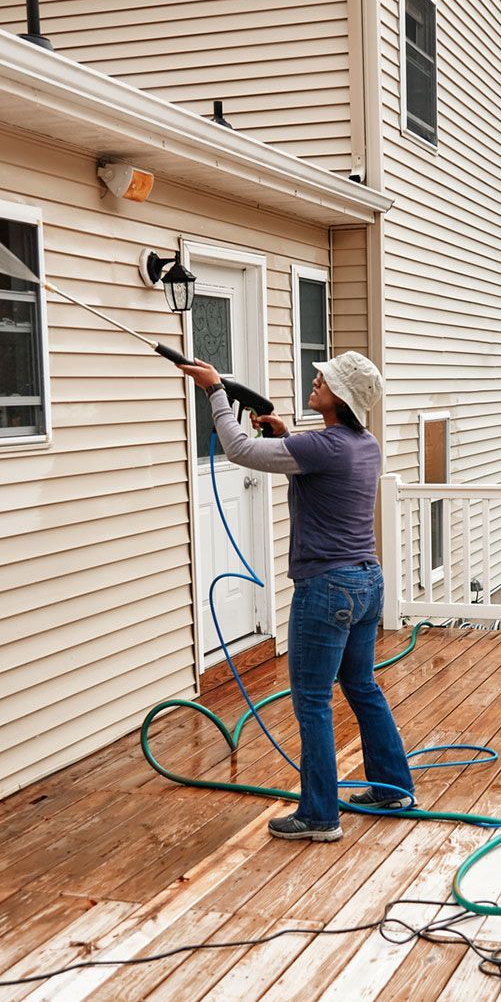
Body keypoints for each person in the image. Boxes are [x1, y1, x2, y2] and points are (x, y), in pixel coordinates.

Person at [179, 351, 415, 841]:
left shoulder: (323, 447)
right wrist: (285, 437)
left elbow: (239, 450)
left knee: (311, 699)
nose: (315, 381)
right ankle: (393, 787)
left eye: (323, 380)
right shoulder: (363, 443)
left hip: (326, 588)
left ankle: (318, 815)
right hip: (367, 582)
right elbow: (315, 470)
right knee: (362, 685)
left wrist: (214, 393)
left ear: (341, 397)